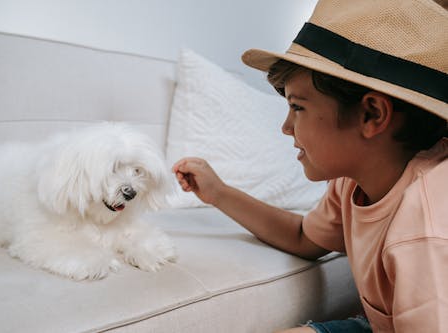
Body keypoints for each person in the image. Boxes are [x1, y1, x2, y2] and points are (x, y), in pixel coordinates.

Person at [172, 0, 448, 332]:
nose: (286, 127)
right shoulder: (352, 183)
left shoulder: (426, 226)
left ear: (371, 114)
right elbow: (304, 237)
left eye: (297, 107)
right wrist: (219, 193)